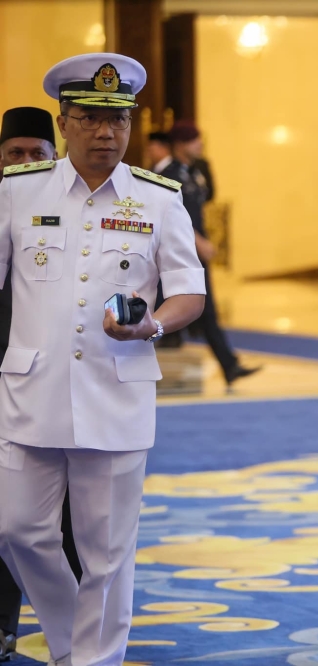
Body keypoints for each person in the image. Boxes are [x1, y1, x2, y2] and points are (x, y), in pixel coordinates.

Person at [0, 53, 205, 666]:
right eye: (90, 118)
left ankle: (91, 660)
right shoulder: (17, 191)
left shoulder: (159, 200)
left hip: (116, 394)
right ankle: (73, 644)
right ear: (64, 123)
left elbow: (189, 292)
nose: (105, 133)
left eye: (118, 120)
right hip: (31, 394)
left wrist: (152, 325)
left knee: (108, 554)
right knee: (17, 530)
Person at [0, 107, 83, 664]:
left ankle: (76, 638)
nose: (26, 162)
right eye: (15, 153)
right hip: (5, 380)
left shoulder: (76, 206)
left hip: (56, 385)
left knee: (69, 520)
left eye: (37, 153)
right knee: (12, 520)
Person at [155, 121, 259, 385]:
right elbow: (170, 215)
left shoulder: (195, 172)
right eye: (194, 140)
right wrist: (198, 241)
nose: (200, 144)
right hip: (178, 254)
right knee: (159, 306)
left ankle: (229, 365)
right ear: (179, 144)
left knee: (206, 310)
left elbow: (205, 199)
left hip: (194, 254)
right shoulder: (169, 174)